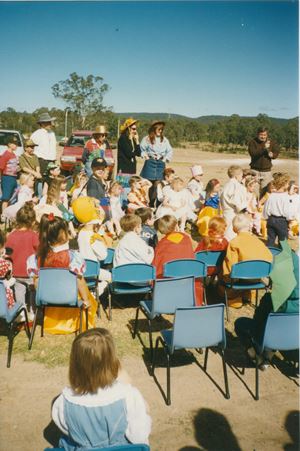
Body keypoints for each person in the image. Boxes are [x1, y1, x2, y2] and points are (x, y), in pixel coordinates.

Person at [52, 328, 151, 449]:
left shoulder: (64, 401)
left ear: (75, 364)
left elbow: (66, 429)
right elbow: (139, 437)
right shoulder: (129, 396)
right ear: (113, 361)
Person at [27, 214, 97, 334]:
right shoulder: (73, 257)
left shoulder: (37, 258)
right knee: (88, 296)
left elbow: (37, 281)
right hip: (69, 298)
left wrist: (42, 298)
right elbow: (80, 281)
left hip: (48, 299)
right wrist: (87, 300)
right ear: (62, 234)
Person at [235, 241, 299, 369]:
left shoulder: (270, 300)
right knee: (277, 327)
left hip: (269, 340)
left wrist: (268, 284)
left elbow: (258, 323)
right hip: (294, 341)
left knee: (241, 323)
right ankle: (268, 355)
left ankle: (256, 356)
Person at [140, 121, 173, 207]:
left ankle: (158, 204)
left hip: (160, 163)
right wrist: (145, 156)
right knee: (149, 184)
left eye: (162, 129)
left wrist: (165, 159)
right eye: (159, 129)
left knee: (158, 184)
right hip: (150, 162)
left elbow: (169, 151)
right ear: (154, 129)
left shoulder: (165, 140)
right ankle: (150, 203)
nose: (160, 131)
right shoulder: (147, 139)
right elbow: (142, 149)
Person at [263, 173, 294, 246]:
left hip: (271, 219)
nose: (288, 185)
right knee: (283, 241)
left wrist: (266, 217)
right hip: (281, 221)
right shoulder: (286, 197)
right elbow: (288, 211)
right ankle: (283, 255)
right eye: (288, 183)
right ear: (284, 184)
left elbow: (266, 208)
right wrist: (290, 219)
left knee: (270, 239)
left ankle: (270, 254)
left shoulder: (271, 196)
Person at [248, 127, 280, 192]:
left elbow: (276, 153)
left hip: (266, 172)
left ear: (267, 135)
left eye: (264, 135)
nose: (263, 137)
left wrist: (272, 155)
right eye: (261, 135)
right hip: (254, 171)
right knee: (254, 192)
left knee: (265, 192)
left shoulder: (272, 142)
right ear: (257, 134)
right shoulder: (252, 142)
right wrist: (264, 149)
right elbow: (253, 154)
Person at [220, 165, 247, 241]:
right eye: (241, 176)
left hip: (226, 212)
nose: (242, 178)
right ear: (236, 176)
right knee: (232, 234)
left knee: (226, 232)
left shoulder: (226, 186)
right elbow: (237, 202)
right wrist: (243, 211)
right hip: (234, 213)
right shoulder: (237, 186)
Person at [30, 112, 57, 178]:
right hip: (41, 161)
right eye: (47, 122)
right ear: (42, 123)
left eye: (50, 122)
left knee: (50, 181)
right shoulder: (36, 134)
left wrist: (54, 161)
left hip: (51, 161)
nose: (50, 124)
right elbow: (30, 148)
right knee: (40, 180)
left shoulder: (52, 133)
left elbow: (53, 148)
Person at [0, 135, 19, 213]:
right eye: (14, 143)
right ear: (9, 144)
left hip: (13, 177)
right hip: (7, 177)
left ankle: (9, 212)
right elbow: (1, 167)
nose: (16, 145)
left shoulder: (13, 154)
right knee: (6, 198)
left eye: (16, 143)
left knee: (12, 197)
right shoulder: (5, 155)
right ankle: (4, 214)